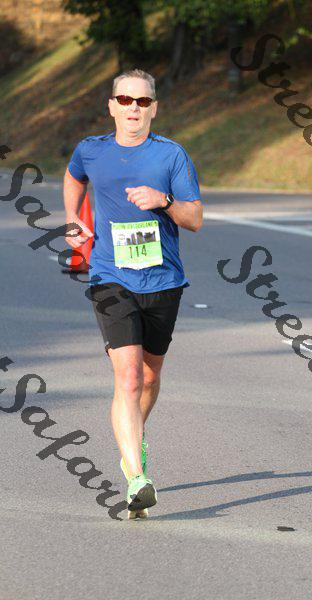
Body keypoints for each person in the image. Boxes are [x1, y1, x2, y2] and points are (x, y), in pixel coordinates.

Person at [63, 68, 203, 519]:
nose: (133, 108)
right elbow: (73, 176)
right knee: (127, 378)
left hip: (163, 281)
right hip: (110, 278)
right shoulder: (92, 150)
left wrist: (164, 201)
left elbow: (195, 219)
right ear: (112, 106)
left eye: (142, 101)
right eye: (125, 100)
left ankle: (134, 438)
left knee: (149, 376)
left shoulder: (171, 155)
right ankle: (136, 476)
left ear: (154, 108)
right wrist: (72, 218)